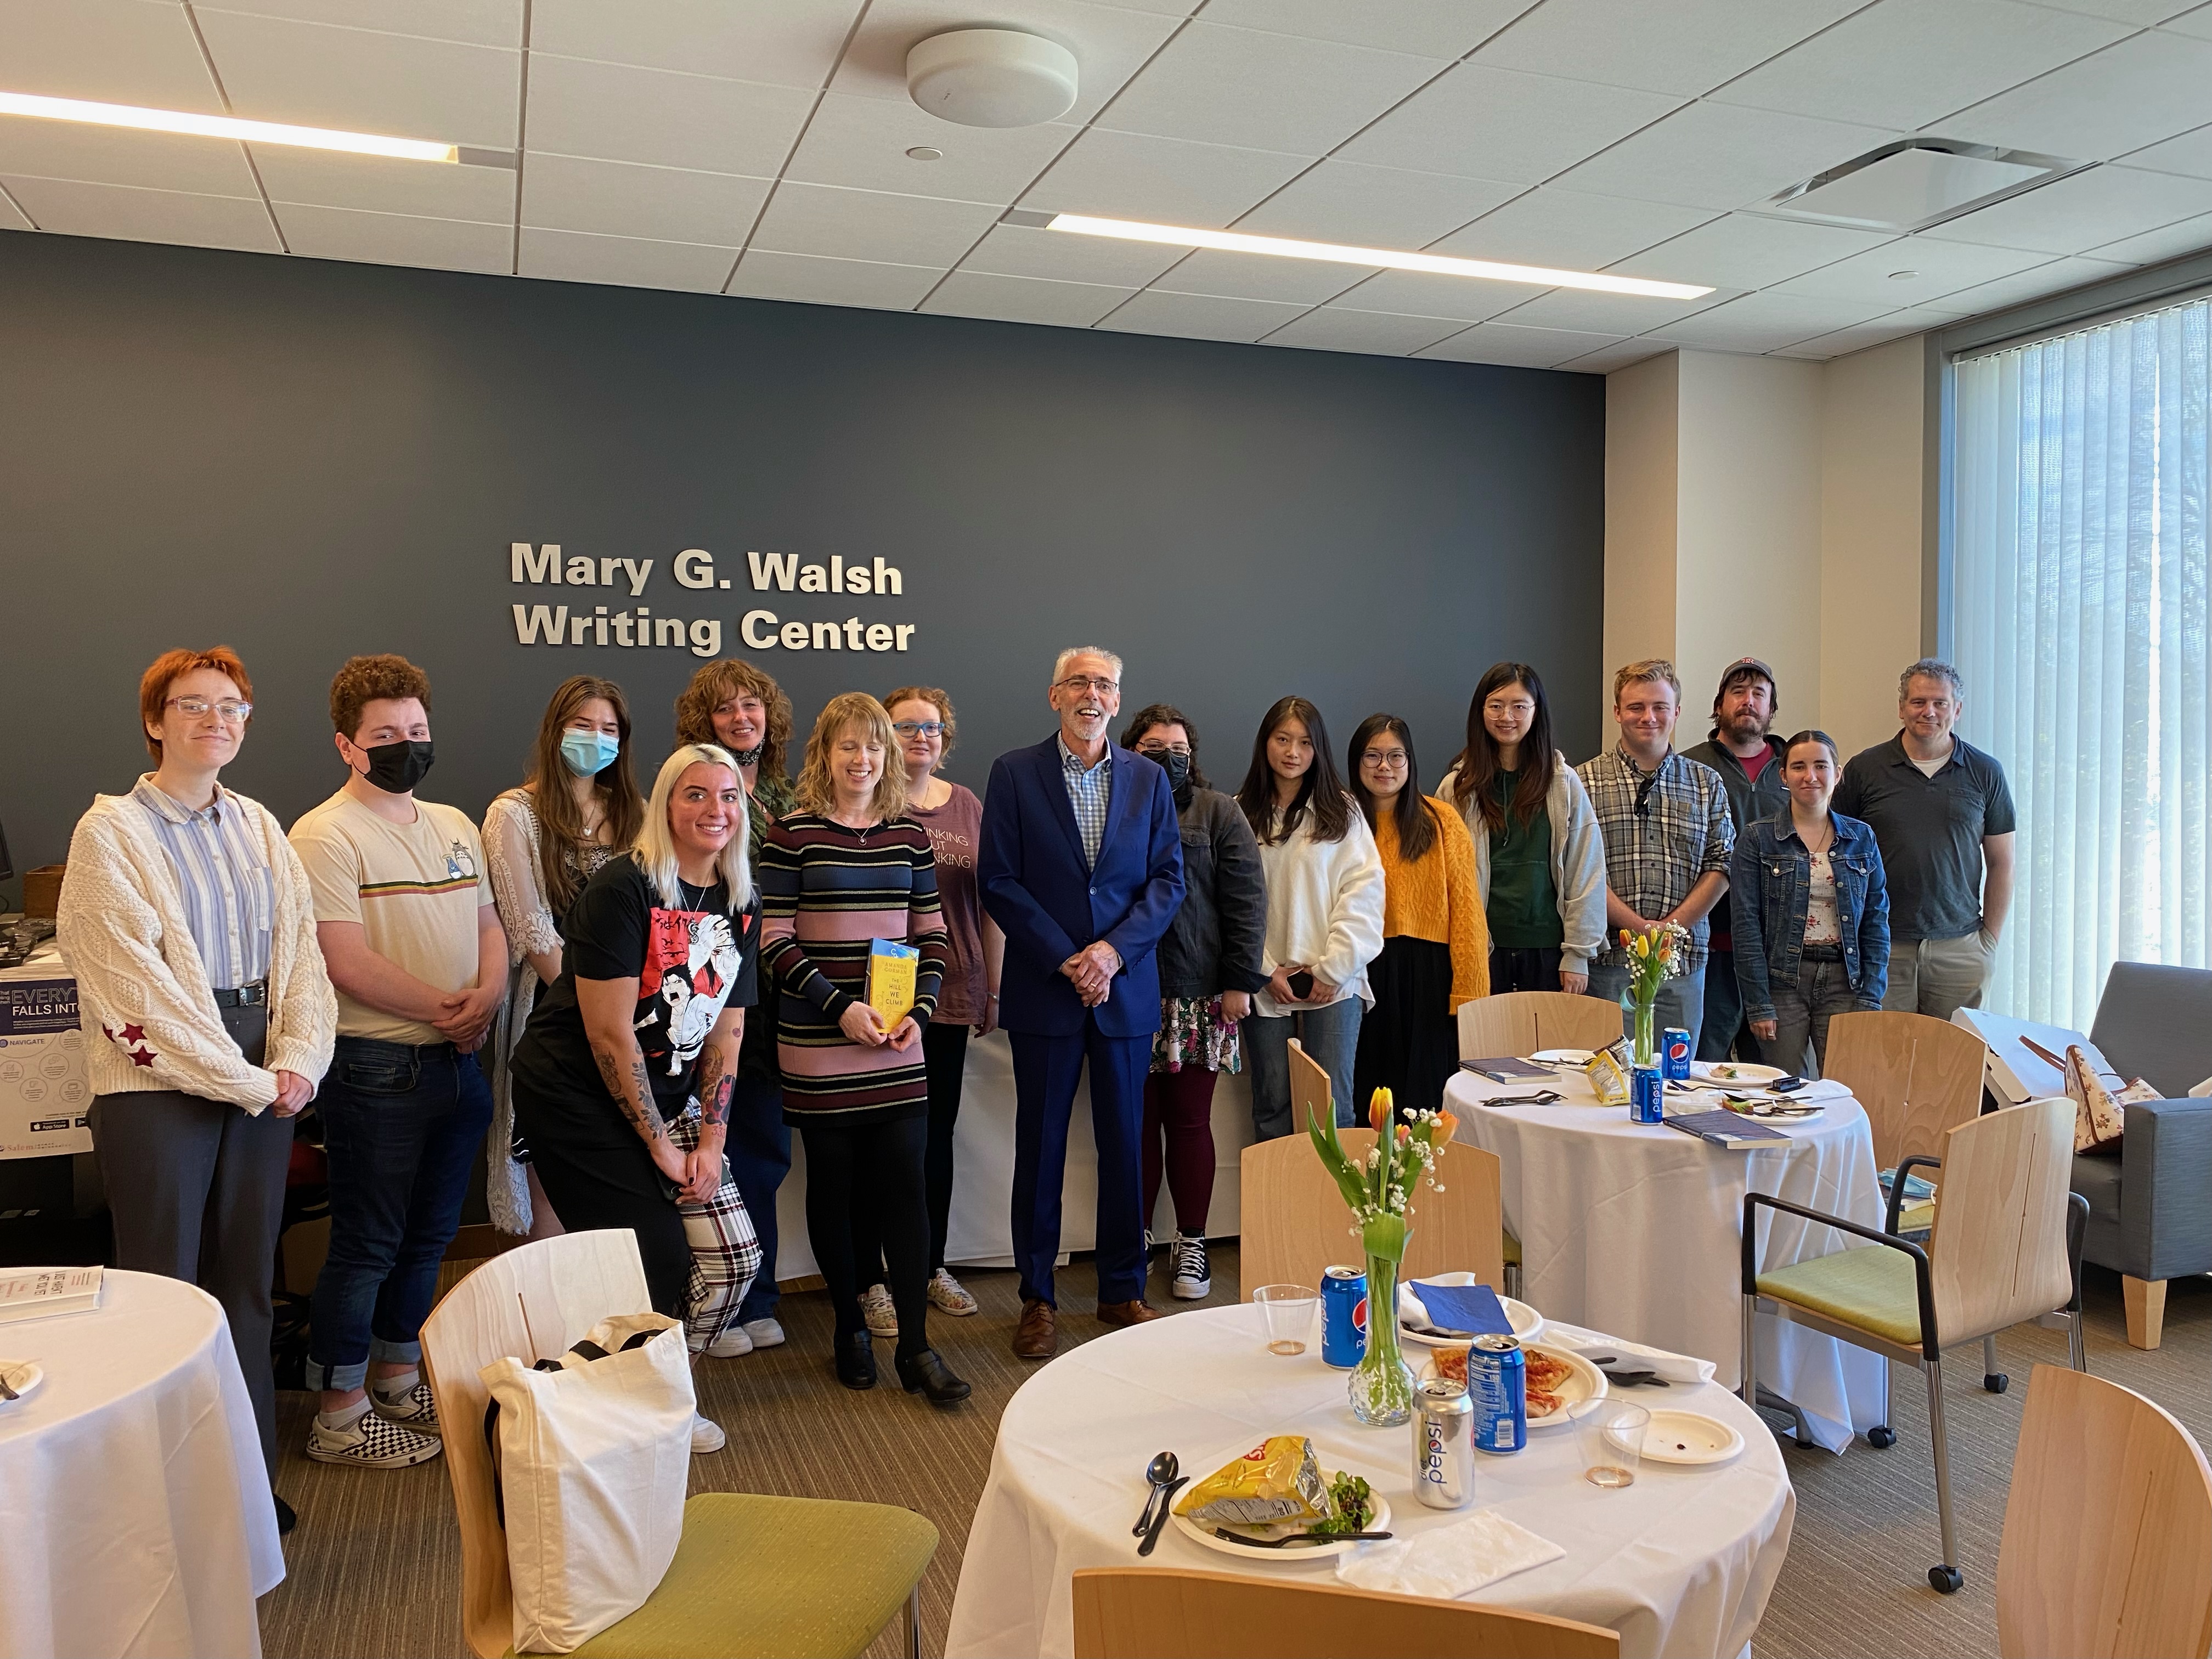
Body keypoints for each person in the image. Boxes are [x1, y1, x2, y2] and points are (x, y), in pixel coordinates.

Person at [58, 647, 336, 1533]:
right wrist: (250, 1078)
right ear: (155, 719)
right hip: (160, 1080)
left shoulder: (258, 825)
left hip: (259, 1069)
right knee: (165, 1283)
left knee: (245, 1282)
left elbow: (300, 957)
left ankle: (242, 1481)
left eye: (233, 706)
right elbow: (129, 988)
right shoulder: (110, 832)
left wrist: (298, 1057)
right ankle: (164, 1496)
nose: (216, 720)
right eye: (194, 704)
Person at [508, 744, 764, 1454]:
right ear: (665, 804)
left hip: (673, 1095)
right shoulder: (625, 889)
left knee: (734, 1261)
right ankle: (648, 1407)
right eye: (695, 795)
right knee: (653, 1255)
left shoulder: (741, 898)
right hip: (574, 1093)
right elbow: (609, 1035)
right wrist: (657, 1141)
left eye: (728, 797)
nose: (715, 810)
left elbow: (728, 1031)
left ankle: (597, 1382)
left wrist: (709, 1139)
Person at [289, 654, 504, 1469]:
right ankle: (339, 1417)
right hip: (377, 1069)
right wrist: (450, 1012)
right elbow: (343, 960)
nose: (405, 746)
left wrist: (483, 997)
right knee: (369, 1244)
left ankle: (396, 1380)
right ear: (348, 744)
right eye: (386, 736)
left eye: (416, 732)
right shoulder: (324, 834)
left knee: (430, 1241)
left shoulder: (453, 824)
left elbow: (489, 926)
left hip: (458, 1066)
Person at [758, 694, 969, 1406]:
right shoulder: (792, 835)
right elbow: (774, 941)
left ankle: (915, 1346)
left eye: (873, 747)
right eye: (848, 746)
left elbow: (932, 936)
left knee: (905, 1191)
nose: (862, 759)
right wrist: (840, 1008)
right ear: (825, 753)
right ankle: (850, 1325)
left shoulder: (908, 837)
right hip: (821, 1044)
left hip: (895, 1044)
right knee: (837, 1190)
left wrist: (919, 1010)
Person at [979, 648, 1184, 1361]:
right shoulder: (1013, 773)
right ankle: (1038, 1298)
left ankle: (1121, 1290)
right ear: (1053, 694)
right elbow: (1000, 881)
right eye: (1078, 682)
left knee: (1126, 1147)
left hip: (1123, 993)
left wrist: (1111, 953)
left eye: (1103, 684)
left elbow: (1166, 881)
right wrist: (1066, 955)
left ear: (1118, 701)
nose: (1090, 694)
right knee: (1040, 1151)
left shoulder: (1149, 779)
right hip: (1046, 989)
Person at [848, 686, 1003, 1333]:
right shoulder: (865, 802)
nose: (920, 737)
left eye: (931, 727)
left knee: (934, 1138)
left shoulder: (966, 805)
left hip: (951, 993)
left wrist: (994, 986)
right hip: (877, 1002)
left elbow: (991, 902)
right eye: (905, 726)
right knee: (873, 1144)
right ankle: (871, 1280)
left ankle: (929, 1264)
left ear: (946, 737)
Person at [482, 676, 644, 1240]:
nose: (595, 739)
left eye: (608, 729)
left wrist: (628, 1008)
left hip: (632, 1014)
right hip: (554, 1011)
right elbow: (530, 927)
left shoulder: (636, 815)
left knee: (621, 1158)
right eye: (583, 726)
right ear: (555, 731)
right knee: (551, 1165)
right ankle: (558, 1319)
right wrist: (592, 1002)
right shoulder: (515, 814)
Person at [672, 659, 800, 1355]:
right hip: (711, 987)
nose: (741, 719)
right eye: (725, 710)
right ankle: (719, 1301)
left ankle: (761, 1293)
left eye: (751, 706)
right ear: (704, 723)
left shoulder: (787, 790)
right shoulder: (694, 791)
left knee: (766, 1148)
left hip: (782, 992)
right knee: (717, 1146)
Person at [1121, 702, 1266, 1302]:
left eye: (1178, 749)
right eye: (1154, 748)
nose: (1167, 757)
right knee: (1134, 1127)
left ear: (1193, 756)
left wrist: (1239, 982)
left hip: (1197, 997)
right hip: (1126, 992)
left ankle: (1193, 1243)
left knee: (1187, 1124)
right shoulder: (1112, 808)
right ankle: (1136, 1241)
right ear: (1131, 751)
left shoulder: (1219, 811)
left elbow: (1247, 901)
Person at [1236, 697, 1385, 1141]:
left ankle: (1335, 1211)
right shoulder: (1239, 813)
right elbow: (1233, 903)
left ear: (1318, 748)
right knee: (1272, 1103)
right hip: (1266, 982)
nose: (1293, 752)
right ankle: (1277, 1210)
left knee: (1333, 1106)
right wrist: (1263, 970)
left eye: (1304, 742)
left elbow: (1363, 895)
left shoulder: (1345, 813)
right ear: (1266, 744)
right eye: (1283, 739)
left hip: (1337, 985)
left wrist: (1332, 968)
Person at [1834, 660, 2016, 1022]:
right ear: (1901, 708)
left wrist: (1989, 942)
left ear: (1957, 710)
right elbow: (1837, 853)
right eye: (1918, 702)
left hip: (1960, 948)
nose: (1928, 712)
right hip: (1883, 944)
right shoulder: (1865, 770)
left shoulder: (1985, 772)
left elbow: (2002, 862)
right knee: (1887, 1062)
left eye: (1940, 703)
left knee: (1953, 1068)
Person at [1575, 660, 1734, 1049]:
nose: (1649, 717)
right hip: (1609, 960)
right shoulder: (1582, 782)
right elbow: (1578, 871)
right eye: (1636, 707)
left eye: (1660, 707)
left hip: (1681, 963)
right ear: (1617, 712)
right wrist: (1637, 929)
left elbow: (1722, 863)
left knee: (1677, 1082)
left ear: (1676, 712)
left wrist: (1669, 930)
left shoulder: (1705, 783)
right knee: (1608, 1083)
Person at [1348, 713, 1488, 1120]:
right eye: (1372, 756)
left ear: (1411, 762)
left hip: (1430, 976)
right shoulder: (1340, 820)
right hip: (1360, 971)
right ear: (1356, 763)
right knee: (1367, 1099)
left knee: (1425, 1103)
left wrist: (1470, 994)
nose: (1384, 767)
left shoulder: (1442, 819)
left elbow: (1467, 913)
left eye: (1396, 756)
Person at [1438, 663, 1606, 995]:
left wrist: (1577, 954)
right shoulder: (1457, 787)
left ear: (1536, 711)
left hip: (1549, 952)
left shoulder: (1563, 783)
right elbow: (1443, 876)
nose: (1507, 717)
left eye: (1519, 706)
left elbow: (1586, 870)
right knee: (1487, 1048)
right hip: (1480, 948)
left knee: (1548, 1047)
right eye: (1496, 705)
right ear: (1480, 711)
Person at [1731, 730, 1891, 1076]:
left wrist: (1871, 996)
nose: (1811, 776)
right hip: (1782, 984)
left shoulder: (1861, 837)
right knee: (1785, 1092)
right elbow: (1745, 926)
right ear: (1783, 775)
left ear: (1838, 773)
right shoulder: (1757, 838)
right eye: (1799, 766)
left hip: (1846, 984)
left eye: (1821, 765)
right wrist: (1758, 1004)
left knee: (1845, 1089)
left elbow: (1876, 920)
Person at [1681, 658, 1790, 1063]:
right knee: (1704, 1064)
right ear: (1719, 704)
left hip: (1777, 954)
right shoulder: (1690, 768)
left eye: (1759, 694)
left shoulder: (1795, 770)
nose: (1748, 702)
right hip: (1712, 947)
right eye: (1738, 693)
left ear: (1771, 708)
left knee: (1775, 1077)